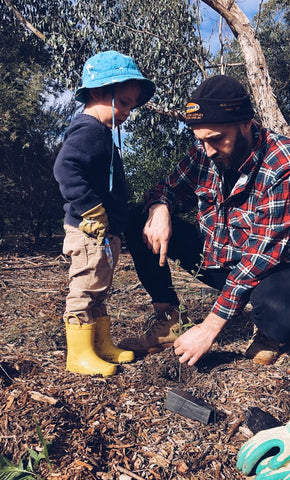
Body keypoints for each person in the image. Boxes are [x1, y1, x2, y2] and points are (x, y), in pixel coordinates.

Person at [119, 75, 290, 366]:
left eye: (216, 139)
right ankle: (168, 318)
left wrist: (210, 326)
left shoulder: (284, 162)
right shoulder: (204, 152)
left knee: (287, 315)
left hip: (272, 267)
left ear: (246, 124)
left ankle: (269, 334)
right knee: (138, 217)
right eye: (201, 140)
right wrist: (160, 208)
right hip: (219, 257)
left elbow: (262, 255)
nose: (208, 149)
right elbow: (166, 188)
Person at [54, 50, 155, 376]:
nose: (127, 112)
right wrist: (91, 209)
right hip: (88, 230)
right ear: (98, 92)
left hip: (103, 230)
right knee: (85, 288)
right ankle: (79, 355)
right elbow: (65, 168)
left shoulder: (101, 133)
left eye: (130, 105)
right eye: (123, 102)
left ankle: (100, 344)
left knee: (99, 286)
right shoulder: (90, 131)